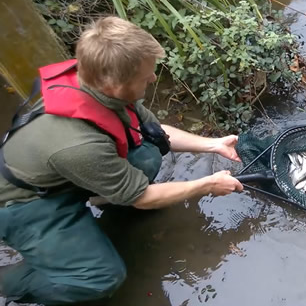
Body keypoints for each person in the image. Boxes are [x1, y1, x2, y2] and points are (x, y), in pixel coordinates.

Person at [0, 16, 244, 305]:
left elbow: (156, 134)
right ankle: (14, 280)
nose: (154, 78)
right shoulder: (79, 145)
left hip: (63, 171)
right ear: (113, 84)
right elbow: (141, 196)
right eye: (146, 76)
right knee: (102, 279)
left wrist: (213, 145)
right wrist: (206, 185)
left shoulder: (101, 89)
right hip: (25, 205)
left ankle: (109, 206)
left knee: (147, 155)